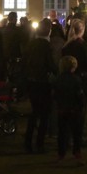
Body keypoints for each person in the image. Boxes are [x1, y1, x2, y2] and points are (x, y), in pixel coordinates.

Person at [22, 20, 57, 153]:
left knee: (34, 113)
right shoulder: (46, 46)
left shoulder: (31, 44)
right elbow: (50, 64)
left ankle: (28, 142)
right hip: (43, 82)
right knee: (44, 115)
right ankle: (40, 143)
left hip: (31, 82)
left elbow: (24, 62)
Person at [53, 55, 85, 165]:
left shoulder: (58, 79)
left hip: (62, 110)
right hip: (74, 110)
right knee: (76, 133)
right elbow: (79, 95)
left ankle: (61, 155)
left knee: (62, 133)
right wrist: (81, 106)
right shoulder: (76, 79)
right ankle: (77, 153)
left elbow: (55, 94)